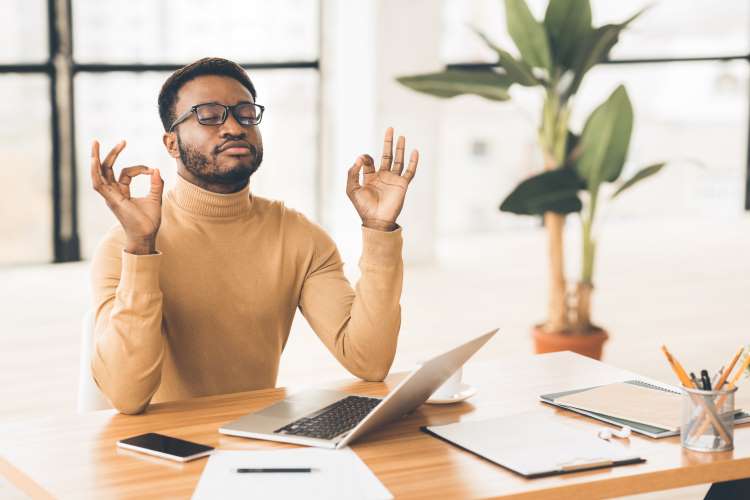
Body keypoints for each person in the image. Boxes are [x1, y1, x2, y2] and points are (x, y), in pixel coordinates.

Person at [89, 57, 419, 414]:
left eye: (245, 113)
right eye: (209, 115)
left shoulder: (299, 236)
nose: (233, 127)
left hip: (259, 441)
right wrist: (140, 249)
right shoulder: (123, 247)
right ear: (172, 144)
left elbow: (369, 360)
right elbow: (126, 396)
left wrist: (379, 231)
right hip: (159, 451)